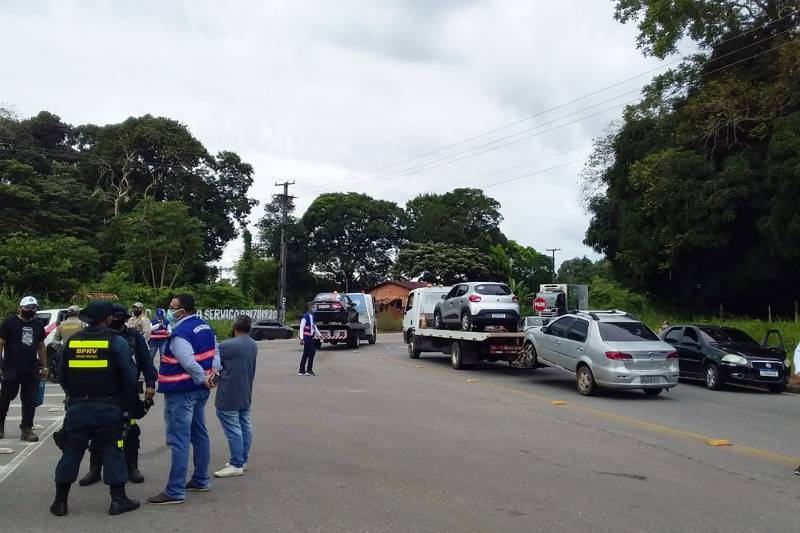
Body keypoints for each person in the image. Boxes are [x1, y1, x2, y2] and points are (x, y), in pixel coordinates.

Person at [51, 300, 140, 516]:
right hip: (108, 407)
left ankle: (60, 502)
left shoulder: (72, 341)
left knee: (72, 451)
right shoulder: (116, 342)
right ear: (108, 318)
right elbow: (130, 377)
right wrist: (128, 404)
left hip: (77, 406)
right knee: (112, 450)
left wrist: (74, 395)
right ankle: (118, 500)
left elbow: (61, 375)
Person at [147, 294, 220, 505]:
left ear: (183, 311)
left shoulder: (181, 333)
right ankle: (200, 479)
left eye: (172, 307)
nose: (169, 311)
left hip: (181, 391)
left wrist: (202, 378)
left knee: (179, 439)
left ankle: (175, 490)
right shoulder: (205, 327)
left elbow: (188, 362)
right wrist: (212, 374)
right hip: (199, 391)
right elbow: (216, 353)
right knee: (199, 434)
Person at [78, 304, 157, 486]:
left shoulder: (133, 336)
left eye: (118, 317)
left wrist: (151, 384)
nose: (115, 320)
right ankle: (95, 469)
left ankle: (131, 467)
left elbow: (146, 361)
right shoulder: (96, 335)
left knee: (130, 430)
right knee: (97, 431)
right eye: (112, 316)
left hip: (127, 391)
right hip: (100, 391)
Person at [214, 315, 258, 478]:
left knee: (233, 428)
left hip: (229, 393)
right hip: (245, 391)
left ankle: (236, 463)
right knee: (244, 424)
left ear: (234, 327)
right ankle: (242, 459)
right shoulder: (252, 344)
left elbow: (214, 362)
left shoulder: (226, 345)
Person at [0, 296, 48, 442]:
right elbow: (0, 344)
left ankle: (26, 429)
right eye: (27, 307)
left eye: (34, 308)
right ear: (20, 308)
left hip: (31, 369)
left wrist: (45, 367)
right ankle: (0, 426)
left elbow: (41, 346)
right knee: (5, 399)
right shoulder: (9, 323)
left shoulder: (38, 325)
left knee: (30, 400)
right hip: (11, 368)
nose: (30, 310)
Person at [298, 302, 322, 376]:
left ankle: (301, 370)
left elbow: (314, 327)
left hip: (311, 337)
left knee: (306, 353)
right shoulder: (305, 317)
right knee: (312, 352)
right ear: (309, 308)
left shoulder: (313, 317)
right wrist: (301, 338)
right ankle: (309, 370)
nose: (314, 308)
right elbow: (301, 328)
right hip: (306, 337)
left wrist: (319, 335)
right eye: (313, 307)